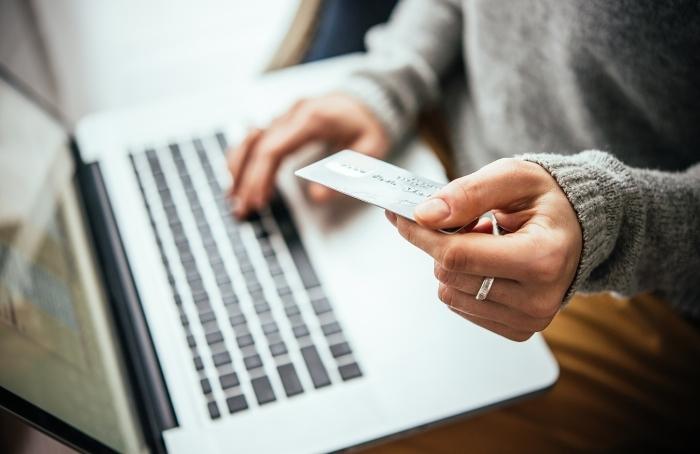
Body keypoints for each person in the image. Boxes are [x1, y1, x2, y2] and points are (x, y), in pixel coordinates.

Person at [228, 1, 700, 450]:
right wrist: (389, 83)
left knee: (323, 432)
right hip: (435, 132)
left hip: (631, 277)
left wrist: (616, 220)